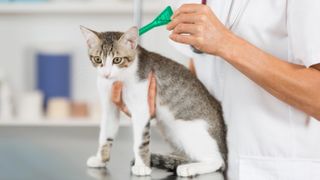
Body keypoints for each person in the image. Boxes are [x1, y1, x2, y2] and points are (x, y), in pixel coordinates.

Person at [113, 1, 320, 179]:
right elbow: (203, 67)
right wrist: (161, 103)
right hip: (211, 170)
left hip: (279, 170)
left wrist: (225, 43)